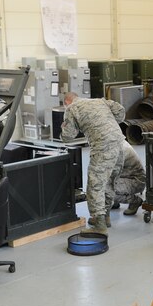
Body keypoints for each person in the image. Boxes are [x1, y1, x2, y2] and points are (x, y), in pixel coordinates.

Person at [60, 92, 125, 234]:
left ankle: (99, 225)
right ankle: (105, 217)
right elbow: (120, 110)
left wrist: (63, 127)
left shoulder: (72, 108)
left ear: (67, 102)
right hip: (120, 144)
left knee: (95, 184)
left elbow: (68, 137)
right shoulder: (99, 100)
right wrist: (108, 124)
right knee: (108, 181)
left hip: (103, 147)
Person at [112, 141, 145, 216]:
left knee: (106, 190)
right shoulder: (116, 141)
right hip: (127, 176)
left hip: (135, 181)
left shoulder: (117, 149)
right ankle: (114, 201)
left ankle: (135, 201)